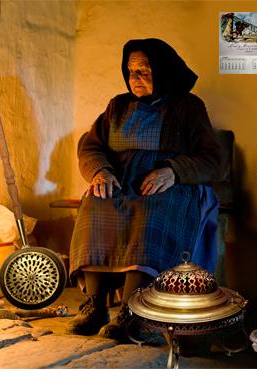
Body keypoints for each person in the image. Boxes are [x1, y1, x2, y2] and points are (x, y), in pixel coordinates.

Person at [68, 38, 223, 339]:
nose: (134, 79)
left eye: (144, 71)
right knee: (95, 203)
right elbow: (91, 147)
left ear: (163, 71)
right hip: (121, 181)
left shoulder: (188, 107)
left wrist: (174, 171)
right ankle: (95, 305)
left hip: (168, 186)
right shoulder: (117, 106)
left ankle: (134, 311)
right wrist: (99, 171)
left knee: (149, 213)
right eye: (130, 71)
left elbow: (212, 160)